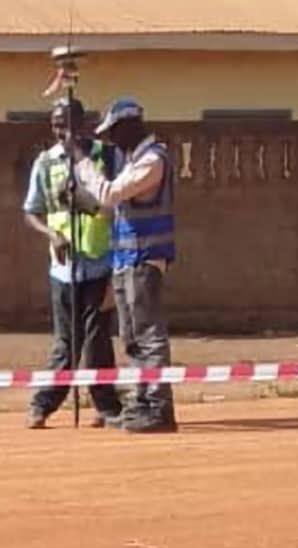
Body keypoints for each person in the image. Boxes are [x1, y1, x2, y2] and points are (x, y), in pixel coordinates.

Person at [73, 98, 178, 433]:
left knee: (149, 336)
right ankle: (142, 401)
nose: (111, 140)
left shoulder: (152, 161)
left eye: (114, 132)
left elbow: (110, 193)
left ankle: (159, 407)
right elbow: (109, 204)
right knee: (131, 337)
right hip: (126, 260)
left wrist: (81, 163)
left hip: (145, 259)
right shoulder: (132, 160)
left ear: (131, 126)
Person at [23, 97, 123, 429]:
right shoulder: (46, 162)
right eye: (55, 124)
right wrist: (52, 234)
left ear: (83, 124)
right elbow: (32, 211)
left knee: (97, 340)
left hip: (100, 262)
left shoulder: (106, 157)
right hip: (63, 268)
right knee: (65, 341)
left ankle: (107, 406)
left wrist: (92, 206)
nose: (60, 131)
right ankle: (43, 404)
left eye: (66, 123)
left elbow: (120, 206)